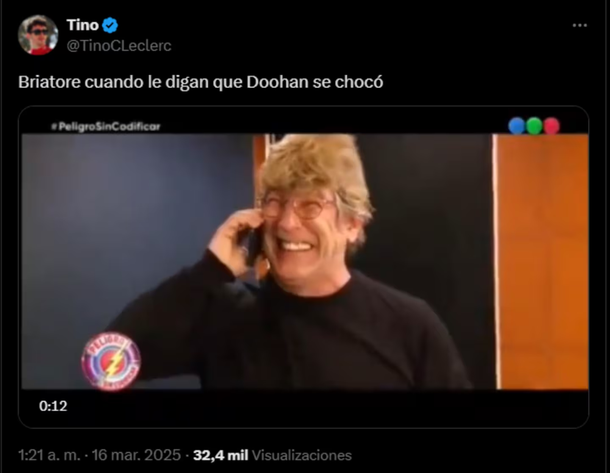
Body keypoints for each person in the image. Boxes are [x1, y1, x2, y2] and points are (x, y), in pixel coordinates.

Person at [107, 134, 471, 389]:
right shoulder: (224, 316)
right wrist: (208, 271)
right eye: (275, 202)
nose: (286, 223)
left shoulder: (409, 326)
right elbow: (107, 364)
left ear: (352, 224)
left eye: (310, 204)